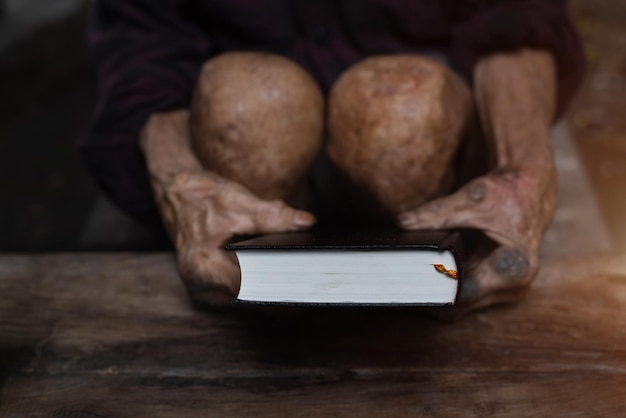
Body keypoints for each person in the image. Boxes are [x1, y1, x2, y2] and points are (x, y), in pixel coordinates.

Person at [81, 0, 585, 313]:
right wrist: (180, 182)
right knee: (246, 102)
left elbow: (516, 14)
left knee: (398, 110)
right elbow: (144, 43)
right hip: (245, 156)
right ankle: (263, 279)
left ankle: (411, 275)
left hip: (430, 144)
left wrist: (522, 166)